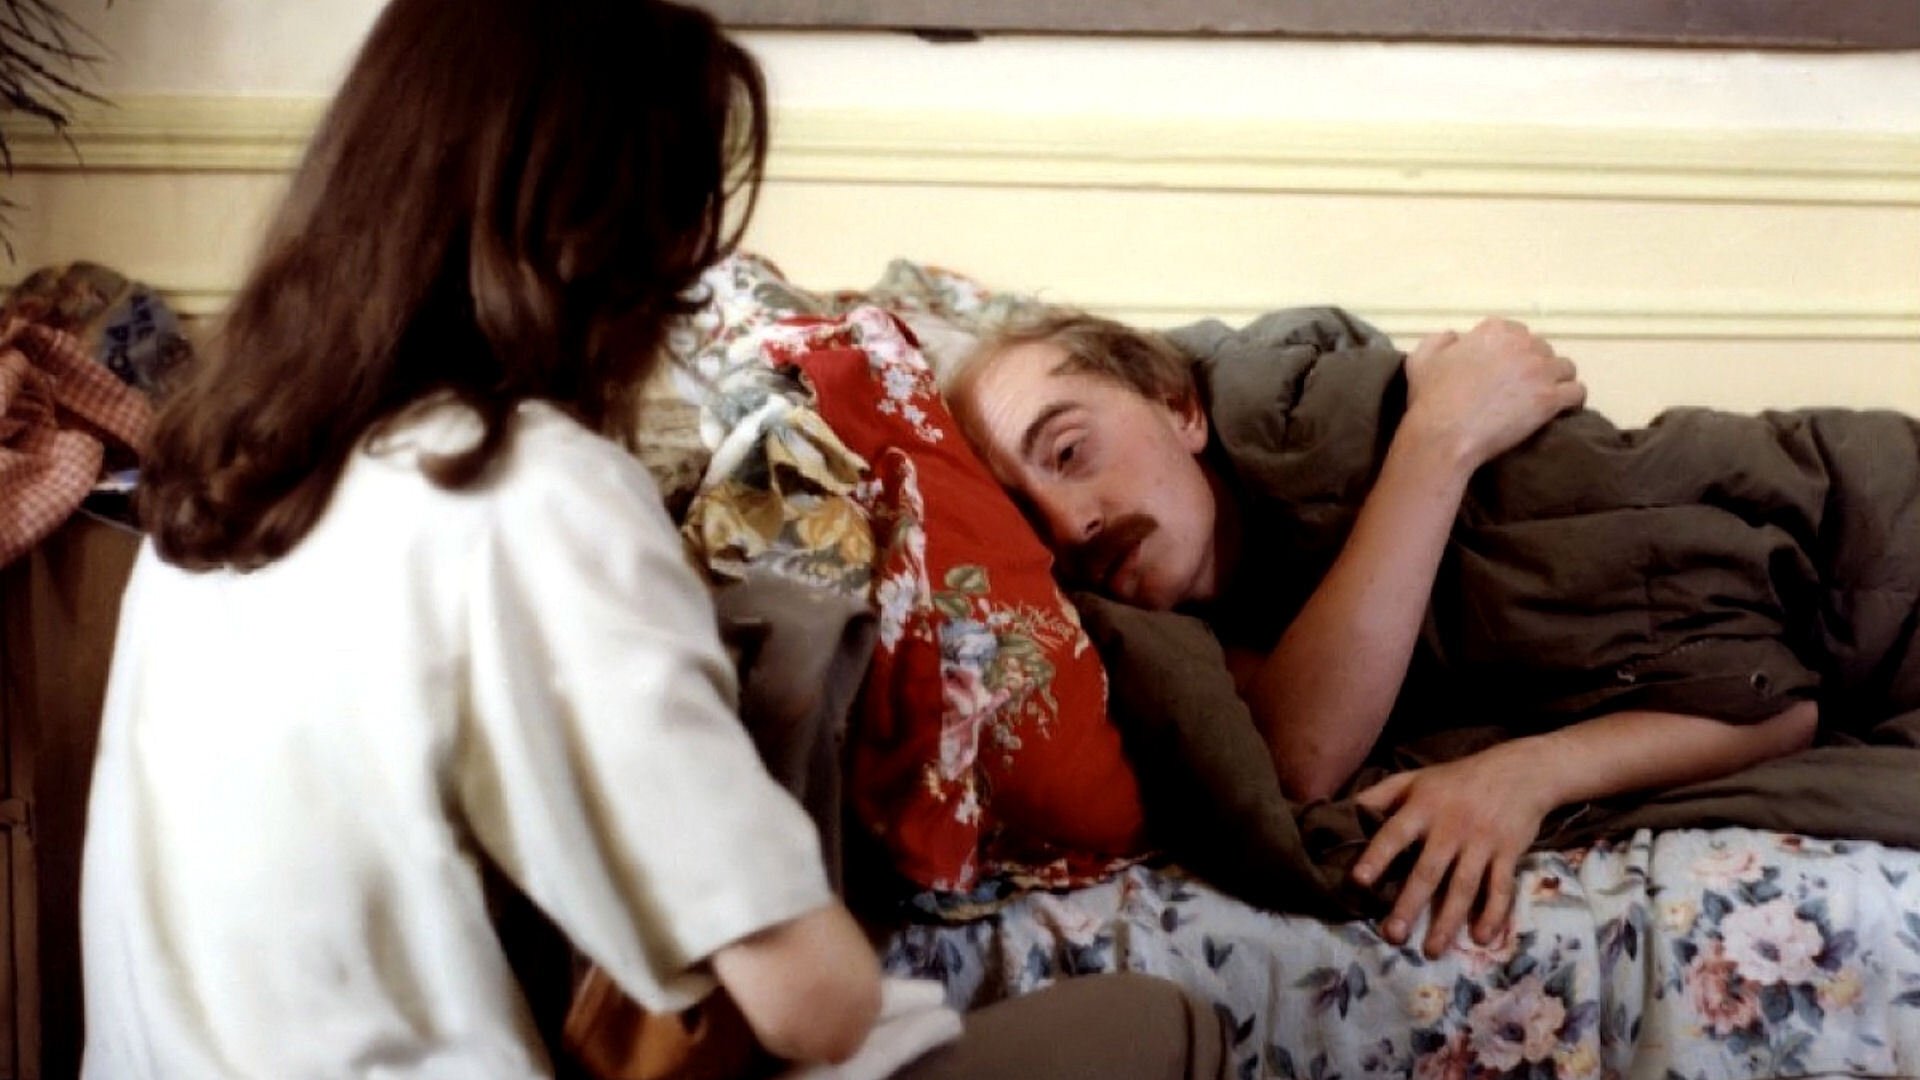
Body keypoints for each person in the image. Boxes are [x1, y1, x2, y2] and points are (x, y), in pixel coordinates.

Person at [80, 3, 1235, 1077]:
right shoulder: (530, 490)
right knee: (1156, 1026)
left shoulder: (216, 485)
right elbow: (812, 1003)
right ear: (617, 250)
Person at [937, 306, 1906, 959]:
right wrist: (1438, 442)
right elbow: (1297, 754)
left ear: (1182, 408)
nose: (1070, 523)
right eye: (1027, 522)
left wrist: (1525, 773)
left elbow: (1762, 699)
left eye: (1071, 449)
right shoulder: (1174, 637)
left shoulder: (1387, 441)